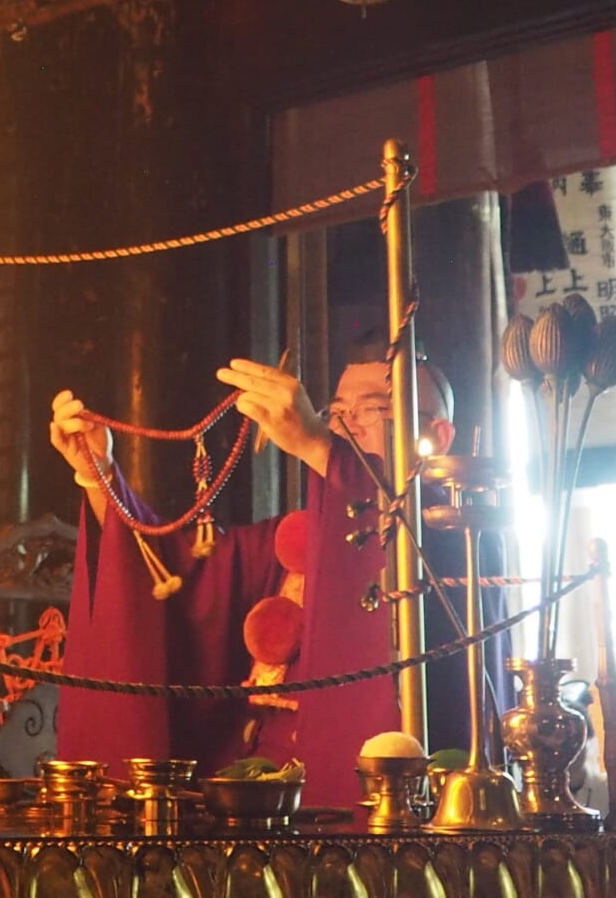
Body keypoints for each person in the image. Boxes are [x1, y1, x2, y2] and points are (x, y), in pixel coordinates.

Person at [48, 337, 456, 791]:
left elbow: (395, 532)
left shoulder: (451, 535)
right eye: (337, 412)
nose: (345, 427)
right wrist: (98, 473)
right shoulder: (290, 540)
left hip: (362, 798)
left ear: (436, 437)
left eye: (372, 411)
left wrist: (320, 448)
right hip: (253, 793)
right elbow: (177, 581)